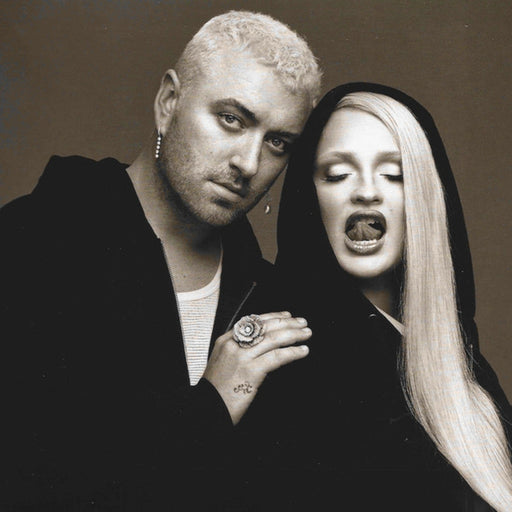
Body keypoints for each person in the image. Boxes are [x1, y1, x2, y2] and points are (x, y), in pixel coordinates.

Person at [0, 11, 321, 510]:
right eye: (231, 120)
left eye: (277, 142)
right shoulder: (27, 245)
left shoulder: (270, 297)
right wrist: (213, 406)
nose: (249, 163)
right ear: (169, 103)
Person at [237, 83, 512, 511]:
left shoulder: (466, 366)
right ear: (309, 197)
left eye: (395, 174)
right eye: (337, 174)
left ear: (425, 197)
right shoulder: (289, 363)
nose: (366, 191)